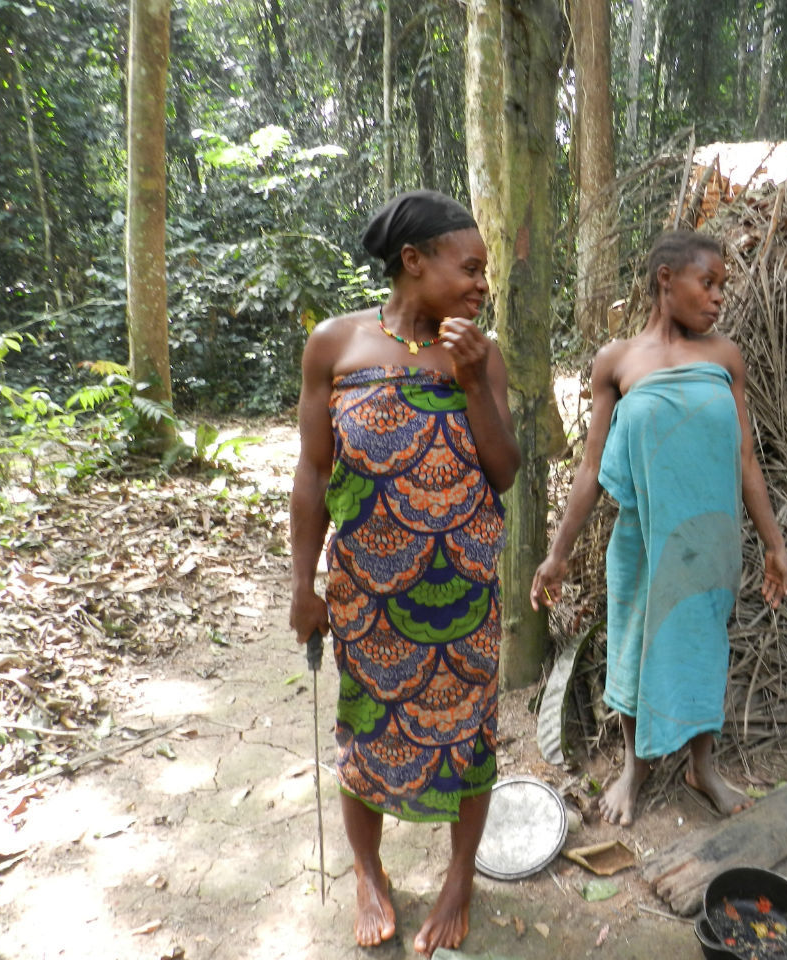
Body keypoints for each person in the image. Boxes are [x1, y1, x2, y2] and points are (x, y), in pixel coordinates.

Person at [289, 190, 520, 956]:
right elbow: (313, 474)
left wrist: (471, 377)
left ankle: (460, 878)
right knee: (367, 731)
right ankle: (367, 870)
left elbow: (505, 470)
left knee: (470, 733)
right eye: (471, 267)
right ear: (413, 263)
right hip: (367, 596)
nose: (482, 284)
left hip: (464, 594)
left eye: (485, 272)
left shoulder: (483, 355)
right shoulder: (335, 345)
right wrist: (303, 587)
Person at [530, 229, 787, 828]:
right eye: (709, 283)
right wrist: (558, 553)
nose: (719, 297)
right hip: (642, 542)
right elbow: (593, 466)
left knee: (703, 646)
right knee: (634, 644)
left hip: (708, 541)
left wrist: (775, 546)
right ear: (665, 280)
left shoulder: (725, 358)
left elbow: (745, 459)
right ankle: (633, 766)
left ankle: (703, 767)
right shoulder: (616, 361)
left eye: (723, 286)